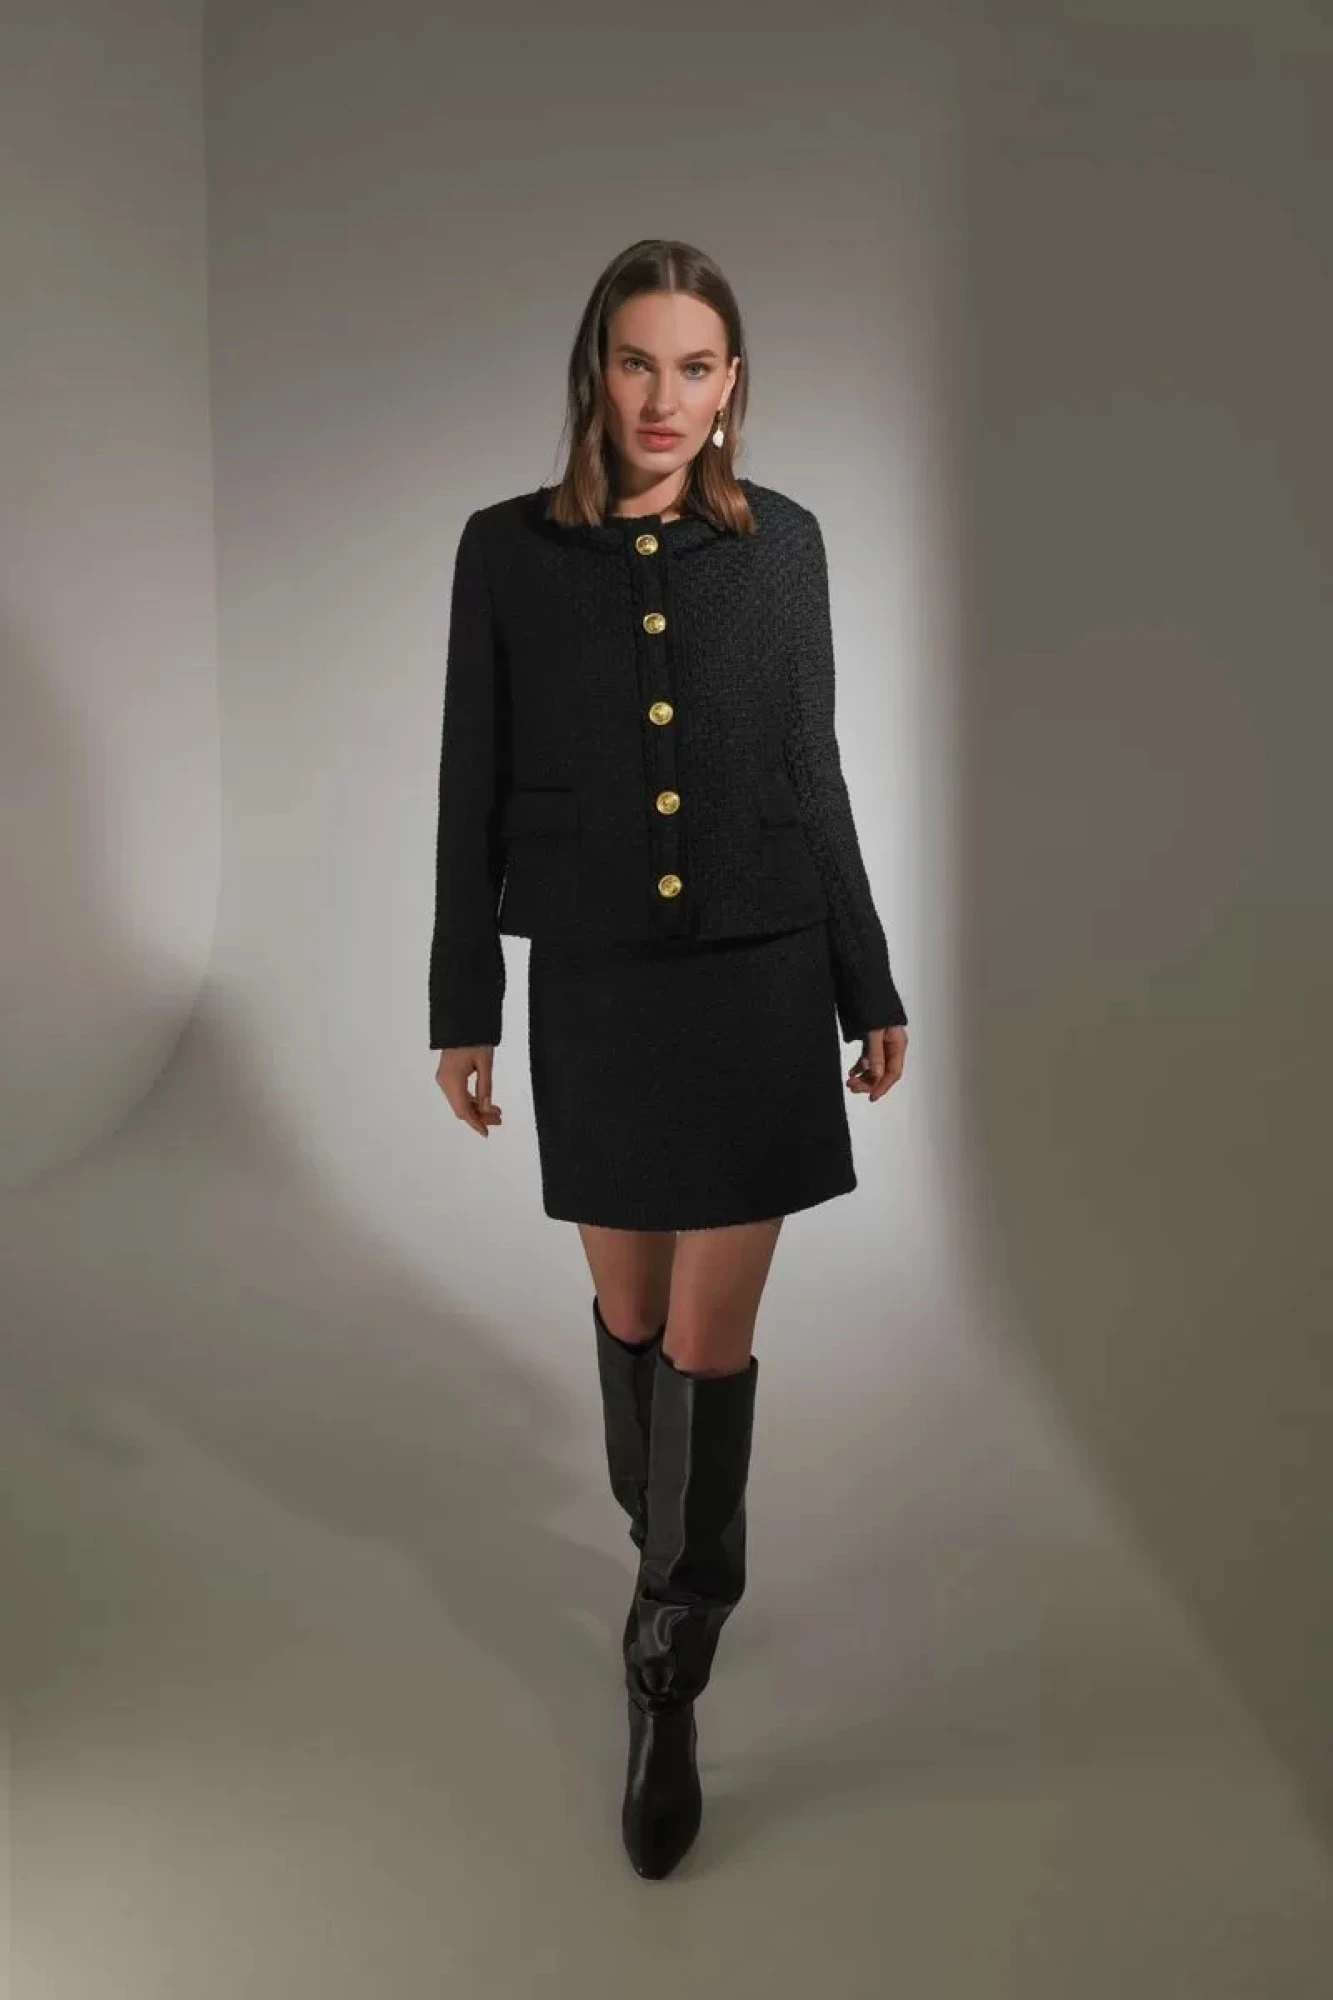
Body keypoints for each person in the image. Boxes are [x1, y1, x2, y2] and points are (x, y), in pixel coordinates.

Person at [429, 238, 909, 1879]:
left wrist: (866, 981)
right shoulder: (508, 551)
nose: (665, 397)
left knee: (709, 1338)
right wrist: (464, 1004)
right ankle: (668, 1550)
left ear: (732, 385)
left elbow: (814, 767)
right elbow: (468, 783)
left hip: (762, 976)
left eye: (696, 367)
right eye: (639, 362)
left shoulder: (786, 547)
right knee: (630, 1323)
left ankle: (667, 1663)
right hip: (601, 987)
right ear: (597, 371)